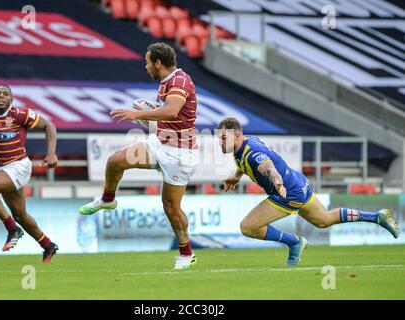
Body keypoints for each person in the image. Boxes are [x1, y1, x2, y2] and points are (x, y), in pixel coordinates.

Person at [79, 42, 199, 269]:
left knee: (171, 208)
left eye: (147, 63)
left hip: (179, 153)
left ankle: (186, 253)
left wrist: (137, 113)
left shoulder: (179, 81)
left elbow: (172, 110)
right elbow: (171, 115)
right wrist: (150, 121)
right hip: (160, 143)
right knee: (116, 161)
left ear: (157, 63)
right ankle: (108, 199)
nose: (145, 67)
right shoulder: (167, 81)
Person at [217, 117, 399, 266]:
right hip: (298, 183)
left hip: (287, 192)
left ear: (238, 135)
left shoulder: (252, 153)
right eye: (219, 138)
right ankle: (377, 217)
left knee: (248, 227)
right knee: (324, 220)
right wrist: (236, 176)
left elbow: (267, 166)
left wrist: (277, 181)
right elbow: (247, 163)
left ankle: (295, 242)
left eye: (224, 138)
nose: (220, 142)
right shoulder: (246, 144)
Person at [0, 84, 59, 263]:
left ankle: (12, 229)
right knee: (20, 215)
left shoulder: (21, 114)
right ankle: (48, 245)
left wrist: (51, 153)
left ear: (11, 99)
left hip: (19, 165)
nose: (1, 97)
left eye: (5, 94)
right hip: (4, 169)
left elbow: (49, 126)